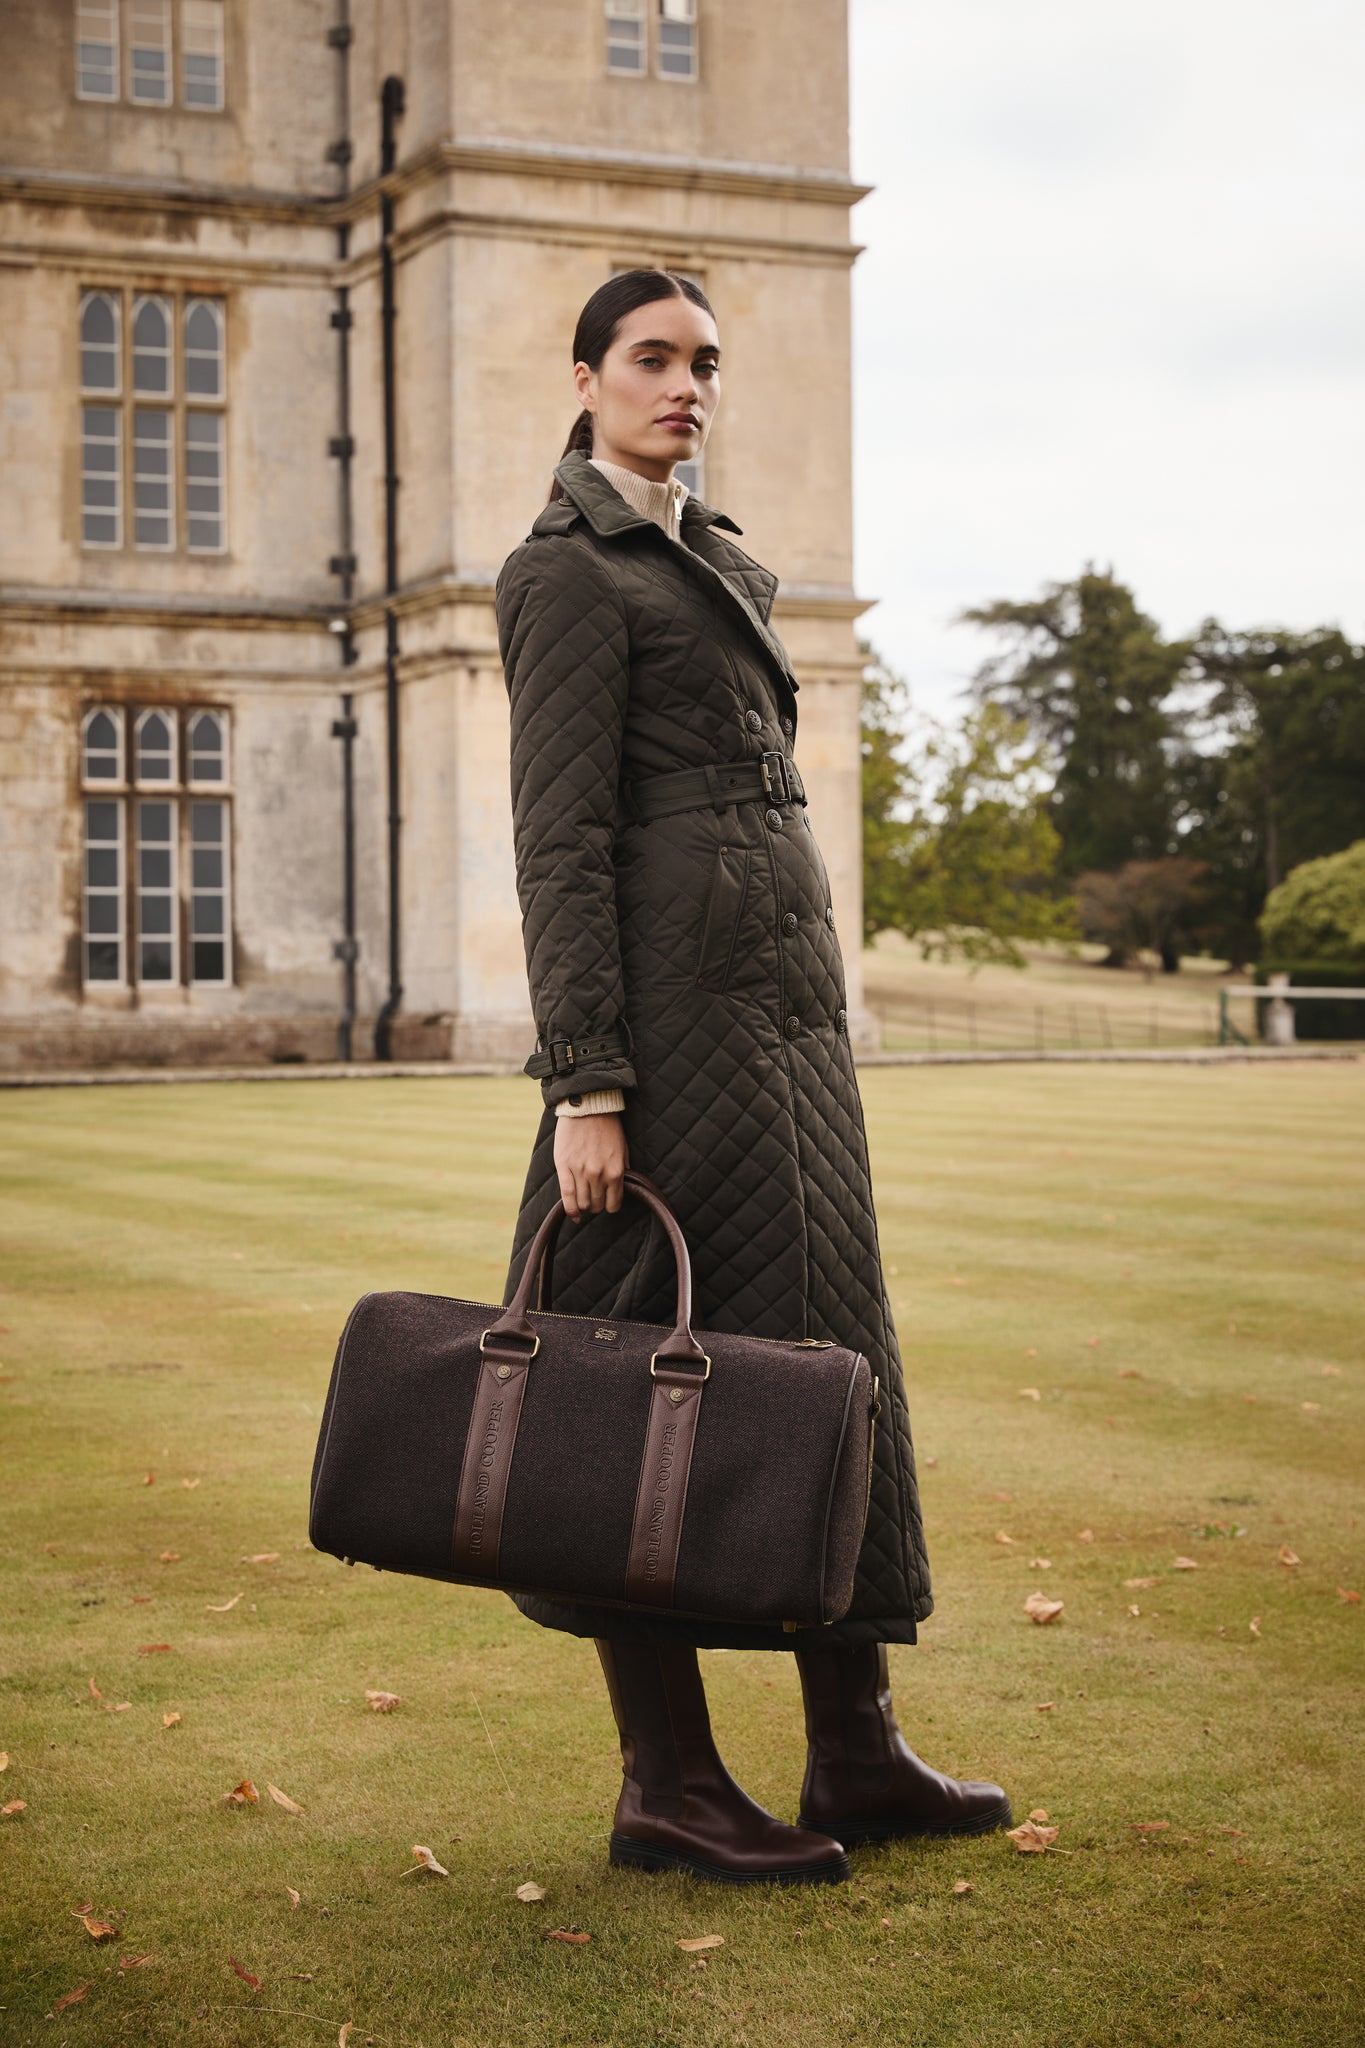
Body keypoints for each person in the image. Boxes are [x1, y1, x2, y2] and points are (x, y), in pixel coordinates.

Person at [495, 269, 1010, 1886]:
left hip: (785, 1036)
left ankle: (850, 1747)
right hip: (658, 1050)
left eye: (704, 362)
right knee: (626, 1386)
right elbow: (560, 847)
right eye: (651, 358)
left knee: (827, 1363)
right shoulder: (565, 576)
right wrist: (585, 1078)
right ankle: (666, 1782)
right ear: (584, 378)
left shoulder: (712, 558)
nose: (683, 385)